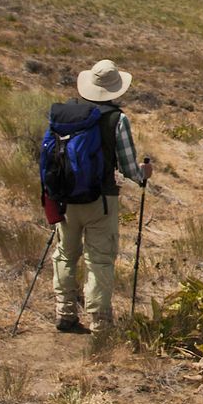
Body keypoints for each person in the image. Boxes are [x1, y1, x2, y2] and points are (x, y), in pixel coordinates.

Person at [52, 59, 152, 333]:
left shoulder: (66, 115)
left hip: (65, 198)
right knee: (99, 259)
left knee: (65, 254)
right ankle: (99, 321)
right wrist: (144, 173)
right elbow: (131, 168)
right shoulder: (117, 120)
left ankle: (65, 312)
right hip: (101, 201)